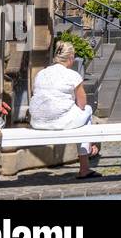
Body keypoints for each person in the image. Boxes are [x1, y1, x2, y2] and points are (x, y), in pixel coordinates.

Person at [29, 41, 99, 178]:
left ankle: (89, 150)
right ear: (71, 58)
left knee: (81, 114)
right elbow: (82, 104)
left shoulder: (41, 74)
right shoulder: (72, 75)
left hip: (37, 122)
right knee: (88, 111)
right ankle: (85, 163)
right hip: (60, 122)